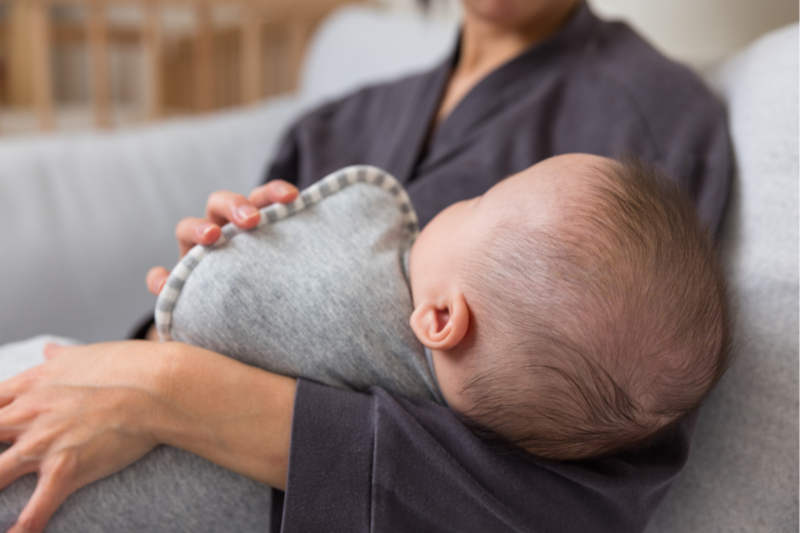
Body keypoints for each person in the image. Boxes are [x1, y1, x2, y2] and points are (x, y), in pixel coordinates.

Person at [0, 0, 731, 531]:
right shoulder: (341, 120)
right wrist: (187, 297)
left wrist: (172, 390)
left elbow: (586, 497)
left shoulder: (649, 125)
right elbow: (179, 333)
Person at [156, 155, 729, 463]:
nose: (456, 202)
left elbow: (207, 313)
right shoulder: (351, 111)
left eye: (480, 200)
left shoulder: (659, 113)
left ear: (440, 321)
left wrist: (209, 287)